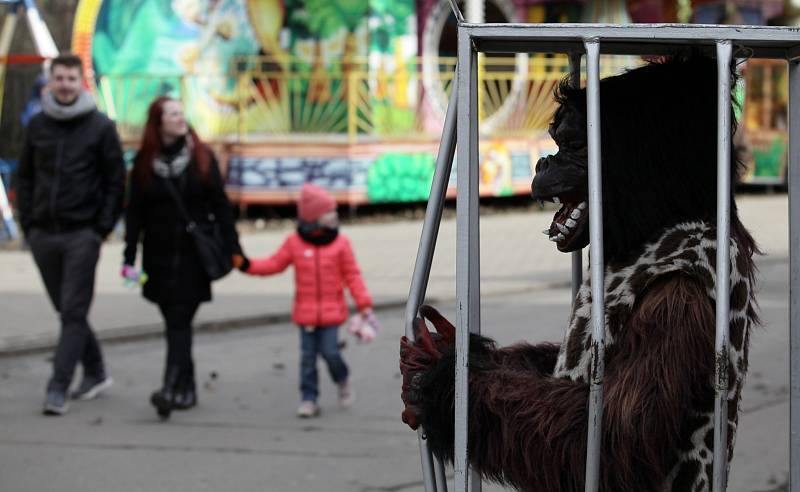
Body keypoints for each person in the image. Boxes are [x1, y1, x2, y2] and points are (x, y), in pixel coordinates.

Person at [16, 53, 125, 416]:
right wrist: (28, 224)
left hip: (82, 234)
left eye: (71, 79)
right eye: (59, 78)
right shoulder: (38, 126)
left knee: (73, 311)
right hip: (44, 234)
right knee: (67, 310)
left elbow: (115, 182)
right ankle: (96, 370)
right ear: (51, 82)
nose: (64, 85)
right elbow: (26, 176)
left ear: (82, 83)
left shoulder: (100, 127)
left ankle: (57, 387)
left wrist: (101, 228)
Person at [123, 96, 242, 419]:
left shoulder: (202, 158)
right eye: (172, 114)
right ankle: (186, 390)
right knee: (176, 323)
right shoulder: (145, 164)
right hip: (158, 259)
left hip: (194, 259)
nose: (180, 118)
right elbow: (135, 214)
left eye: (180, 112)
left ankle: (170, 388)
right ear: (158, 122)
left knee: (179, 321)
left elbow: (220, 206)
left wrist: (234, 249)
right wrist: (129, 256)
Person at [236, 183, 373, 418]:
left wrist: (363, 302)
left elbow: (352, 275)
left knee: (331, 353)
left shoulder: (341, 244)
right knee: (307, 359)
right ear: (313, 217)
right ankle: (309, 398)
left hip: (332, 313)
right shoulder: (294, 243)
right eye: (329, 212)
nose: (335, 216)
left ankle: (342, 379)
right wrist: (247, 265)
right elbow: (274, 264)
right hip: (305, 314)